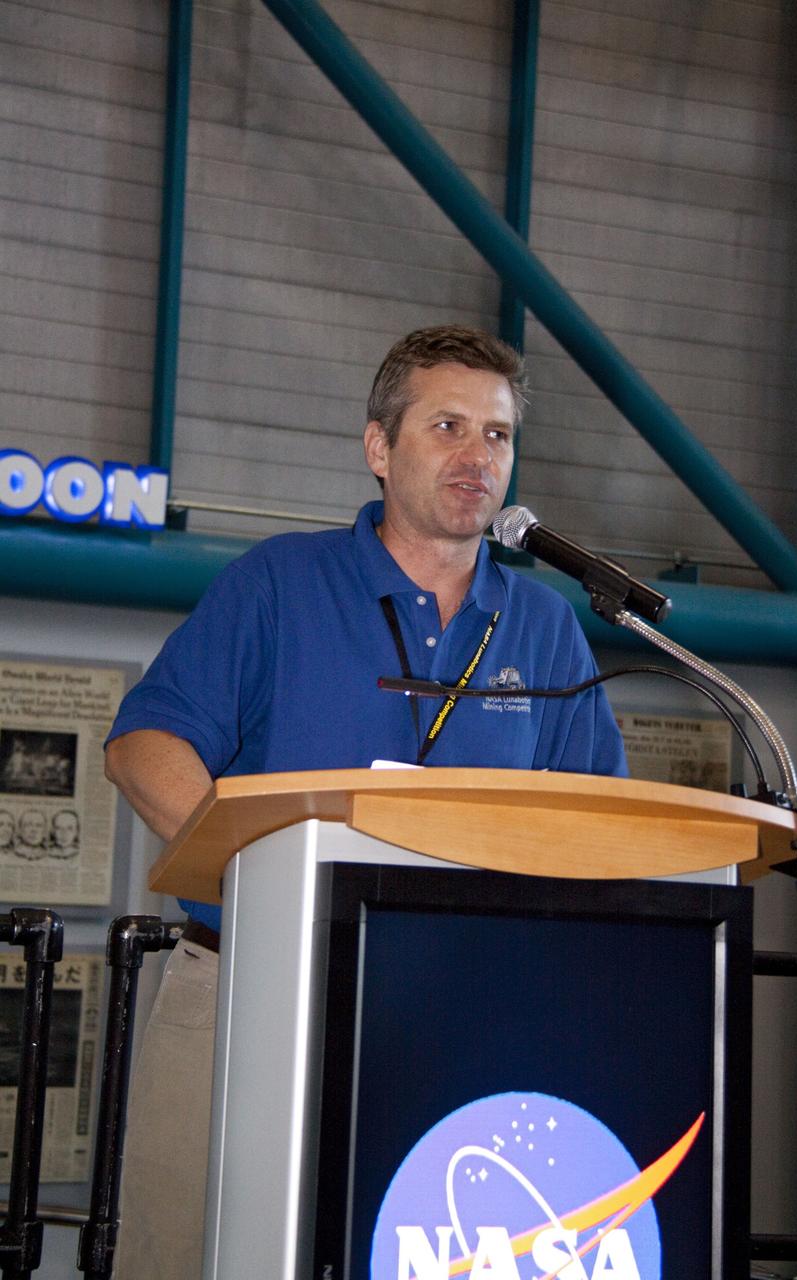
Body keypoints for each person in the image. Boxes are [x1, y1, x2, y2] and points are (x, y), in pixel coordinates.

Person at [104, 325, 627, 1279]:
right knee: (181, 1254)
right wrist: (265, 875)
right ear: (379, 447)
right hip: (249, 986)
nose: (478, 456)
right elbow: (145, 747)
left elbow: (599, 825)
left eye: (498, 435)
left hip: (464, 1011)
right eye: (447, 426)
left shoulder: (547, 627)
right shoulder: (277, 583)